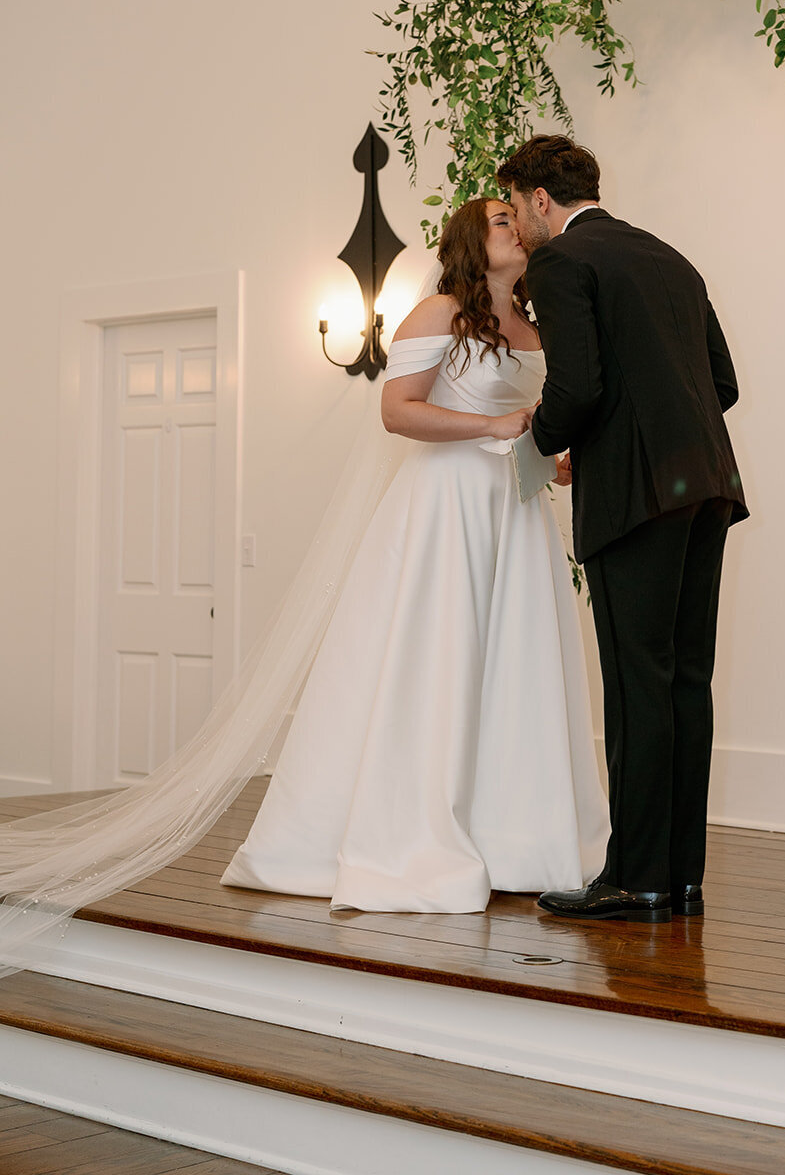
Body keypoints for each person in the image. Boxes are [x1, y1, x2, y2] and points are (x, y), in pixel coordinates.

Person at [222, 197, 608, 912]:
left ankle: (514, 838)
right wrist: (492, 423)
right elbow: (397, 409)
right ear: (470, 239)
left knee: (513, 662)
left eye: (515, 218)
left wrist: (548, 459)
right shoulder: (436, 314)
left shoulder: (533, 322)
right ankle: (410, 833)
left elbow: (528, 424)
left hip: (513, 507)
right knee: (440, 657)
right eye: (500, 220)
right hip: (447, 506)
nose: (514, 227)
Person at [497, 136, 747, 925]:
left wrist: (536, 444)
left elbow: (578, 387)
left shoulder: (563, 264)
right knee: (683, 681)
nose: (517, 225)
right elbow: (723, 384)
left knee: (638, 685)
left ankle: (633, 880)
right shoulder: (670, 258)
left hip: (634, 495)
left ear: (542, 199)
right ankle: (679, 878)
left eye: (514, 206)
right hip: (705, 484)